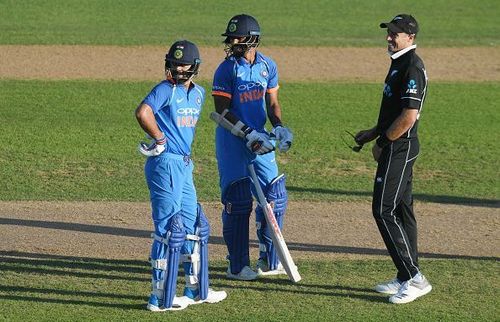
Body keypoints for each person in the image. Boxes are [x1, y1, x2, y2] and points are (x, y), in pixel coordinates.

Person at [135, 40, 226, 311]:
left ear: (194, 67)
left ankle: (196, 289)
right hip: (165, 163)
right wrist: (159, 138)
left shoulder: (198, 93)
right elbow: (143, 112)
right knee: (167, 231)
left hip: (184, 165)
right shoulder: (165, 90)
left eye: (183, 64)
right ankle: (159, 297)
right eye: (174, 63)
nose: (177, 68)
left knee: (193, 226)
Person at [354, 14, 432, 304]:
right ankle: (405, 274)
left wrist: (383, 143)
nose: (389, 37)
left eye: (395, 33)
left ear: (410, 37)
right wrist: (372, 133)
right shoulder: (399, 62)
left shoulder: (412, 66)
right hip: (397, 144)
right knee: (402, 210)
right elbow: (394, 111)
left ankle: (414, 277)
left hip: (400, 147)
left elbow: (409, 116)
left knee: (383, 210)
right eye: (389, 32)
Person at [211, 14, 294, 280]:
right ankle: (237, 266)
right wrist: (246, 133)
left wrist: (279, 126)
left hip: (262, 141)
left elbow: (272, 104)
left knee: (275, 196)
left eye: (238, 38)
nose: (233, 42)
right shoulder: (226, 69)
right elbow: (221, 111)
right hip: (233, 141)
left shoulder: (267, 66)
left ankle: (270, 261)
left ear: (253, 39)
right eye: (231, 38)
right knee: (238, 200)